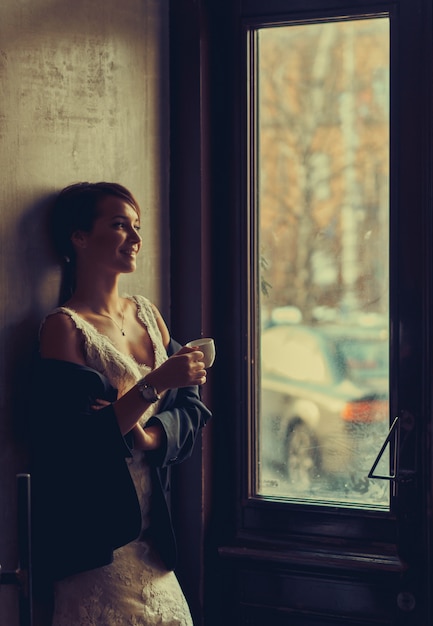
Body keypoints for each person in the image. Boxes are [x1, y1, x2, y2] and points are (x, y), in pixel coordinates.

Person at [30, 182, 212, 626]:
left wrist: (151, 436)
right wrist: (153, 385)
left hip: (155, 538)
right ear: (79, 237)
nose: (135, 238)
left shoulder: (147, 314)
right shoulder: (64, 329)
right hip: (96, 542)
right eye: (119, 225)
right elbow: (79, 443)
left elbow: (192, 406)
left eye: (137, 227)